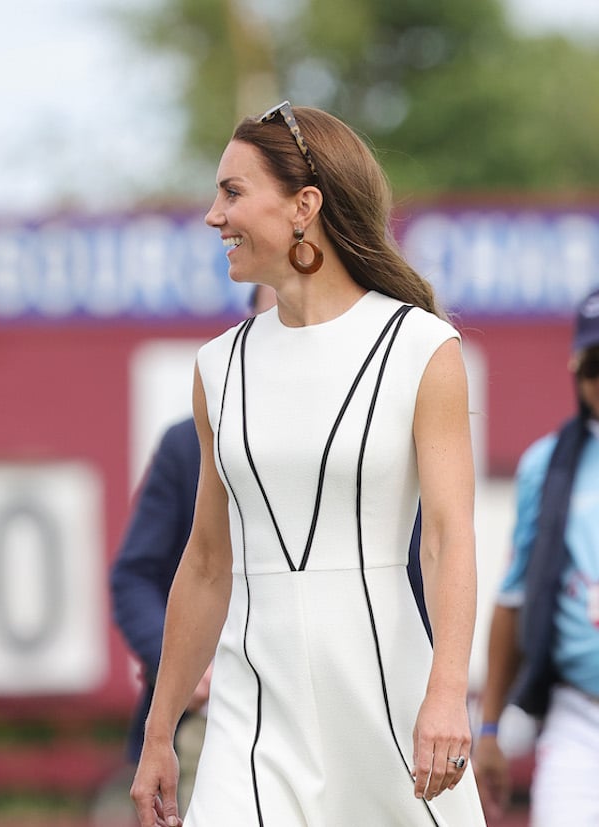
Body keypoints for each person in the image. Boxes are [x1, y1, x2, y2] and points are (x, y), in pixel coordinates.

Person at [129, 102, 486, 826]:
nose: (211, 215)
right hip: (250, 712)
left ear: (304, 206)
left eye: (232, 192)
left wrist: (447, 691)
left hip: (388, 700)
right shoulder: (217, 367)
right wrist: (158, 731)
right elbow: (204, 562)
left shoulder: (420, 348)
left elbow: (447, 536)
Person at [110, 285, 276, 819]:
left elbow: (412, 572)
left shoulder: (362, 440)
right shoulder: (190, 445)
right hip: (214, 716)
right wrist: (182, 667)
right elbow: (135, 576)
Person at [474, 287, 599, 825]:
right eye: (598, 364)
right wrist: (491, 728)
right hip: (579, 716)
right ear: (576, 367)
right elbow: (514, 598)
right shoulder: (546, 466)